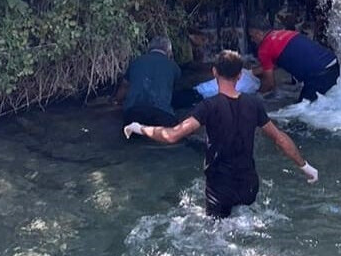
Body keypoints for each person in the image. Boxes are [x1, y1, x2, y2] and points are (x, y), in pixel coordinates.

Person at [123, 50, 319, 218]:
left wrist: (139, 127)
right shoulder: (254, 104)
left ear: (214, 72)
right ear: (240, 76)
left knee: (217, 233)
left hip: (220, 187)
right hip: (249, 185)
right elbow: (280, 138)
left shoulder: (208, 106)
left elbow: (172, 135)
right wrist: (305, 166)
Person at [248, 26, 341, 102]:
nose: (252, 40)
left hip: (319, 74)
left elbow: (270, 84)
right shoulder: (285, 33)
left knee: (302, 111)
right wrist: (251, 73)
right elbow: (279, 60)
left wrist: (254, 95)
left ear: (259, 33)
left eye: (252, 36)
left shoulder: (264, 48)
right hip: (333, 65)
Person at [113, 36, 181, 127]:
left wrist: (116, 101)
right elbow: (171, 92)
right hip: (162, 114)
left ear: (149, 48)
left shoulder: (136, 61)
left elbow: (124, 87)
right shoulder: (174, 67)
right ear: (169, 51)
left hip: (133, 113)